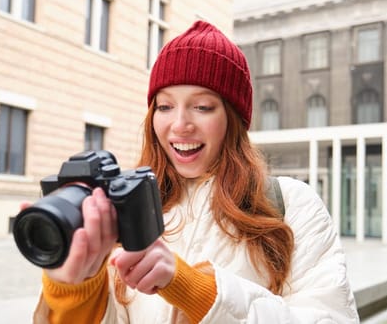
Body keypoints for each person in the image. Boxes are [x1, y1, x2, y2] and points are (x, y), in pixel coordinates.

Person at [31, 20, 359, 323]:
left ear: (234, 119)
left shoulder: (291, 203)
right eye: (164, 106)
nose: (180, 125)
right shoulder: (123, 206)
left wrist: (195, 290)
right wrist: (75, 292)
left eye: (202, 107)